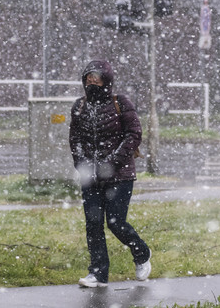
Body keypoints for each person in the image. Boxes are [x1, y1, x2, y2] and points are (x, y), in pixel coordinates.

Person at [69, 59, 151, 287]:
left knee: (115, 223)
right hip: (91, 178)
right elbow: (75, 139)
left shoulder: (121, 103)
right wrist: (83, 164)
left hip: (120, 176)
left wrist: (111, 163)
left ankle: (142, 253)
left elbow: (133, 134)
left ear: (107, 81)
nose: (92, 83)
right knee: (93, 223)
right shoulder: (79, 106)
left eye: (97, 79)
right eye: (88, 79)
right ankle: (98, 273)